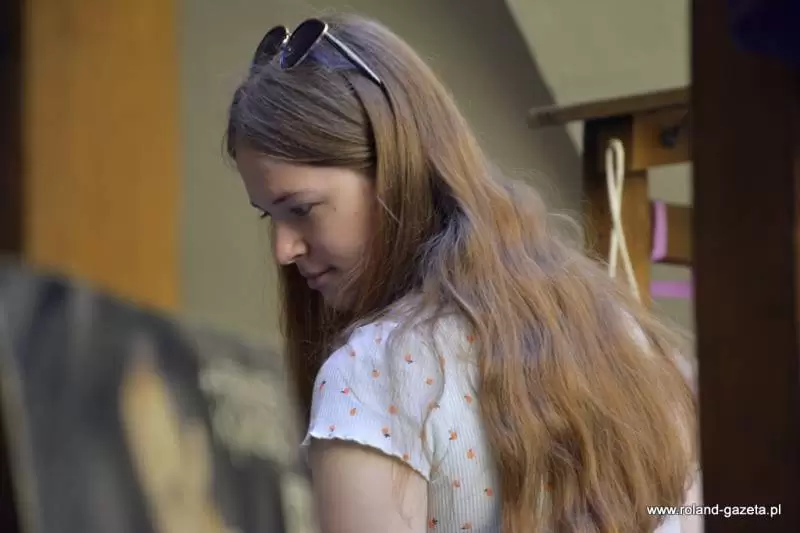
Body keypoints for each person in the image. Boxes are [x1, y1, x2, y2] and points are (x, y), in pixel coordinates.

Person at [225, 14, 697, 533]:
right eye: (270, 216)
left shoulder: (370, 374)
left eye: (302, 208)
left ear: (396, 169)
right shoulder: (633, 340)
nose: (283, 250)